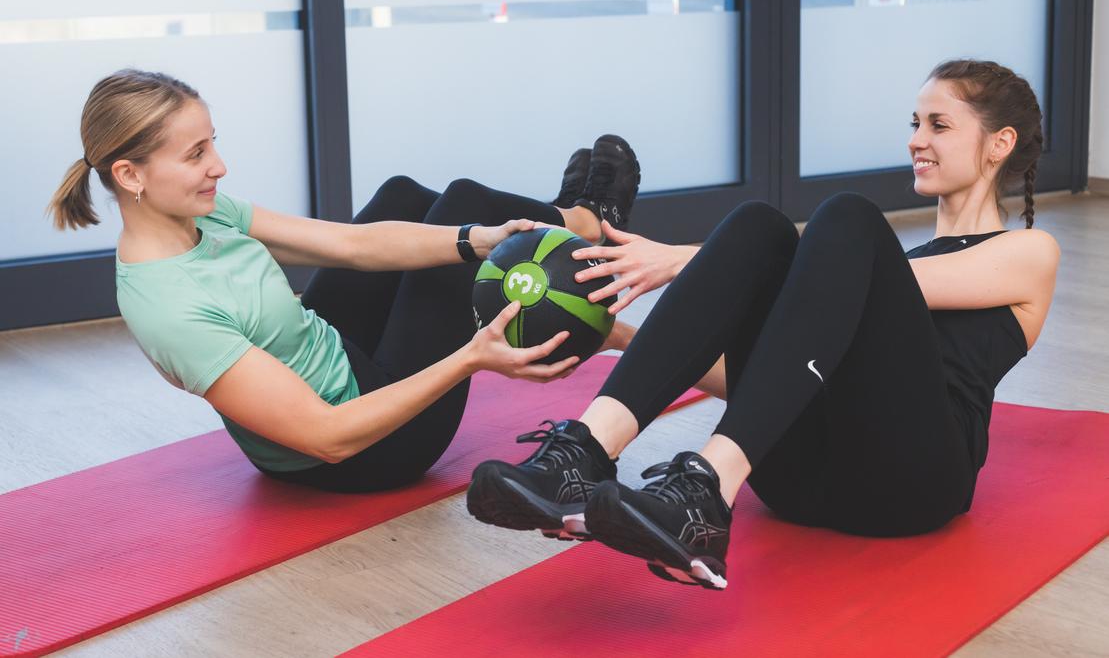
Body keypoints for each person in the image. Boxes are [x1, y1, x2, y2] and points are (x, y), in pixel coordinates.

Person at [466, 59, 1060, 590]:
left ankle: (706, 489)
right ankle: (584, 453)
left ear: (999, 143)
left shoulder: (1032, 253)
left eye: (939, 125)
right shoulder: (875, 269)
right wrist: (614, 334)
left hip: (912, 484)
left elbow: (870, 288)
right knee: (759, 225)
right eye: (914, 123)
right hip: (801, 481)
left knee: (845, 218)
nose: (915, 141)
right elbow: (771, 376)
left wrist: (681, 259)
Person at [47, 69, 641, 493]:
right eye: (196, 154)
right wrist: (470, 358)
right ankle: (589, 223)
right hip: (364, 449)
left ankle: (583, 226)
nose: (218, 167)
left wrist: (477, 241)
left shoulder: (198, 211)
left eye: (213, 146)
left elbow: (348, 245)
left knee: (405, 197)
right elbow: (328, 437)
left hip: (332, 354)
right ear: (130, 174)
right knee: (464, 202)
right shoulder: (169, 307)